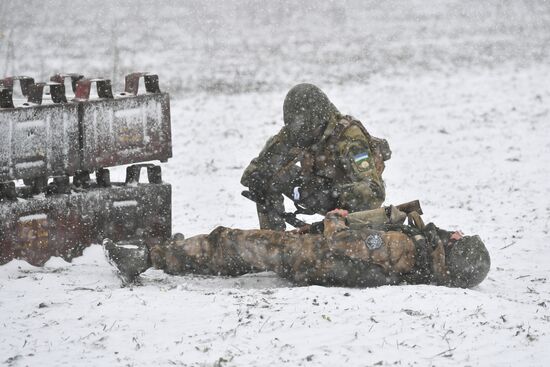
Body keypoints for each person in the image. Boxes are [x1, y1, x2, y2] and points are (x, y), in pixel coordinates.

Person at [104, 206, 491, 289]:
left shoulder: (399, 246)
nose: (455, 233)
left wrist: (334, 219)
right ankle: (167, 255)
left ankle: (149, 257)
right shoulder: (420, 260)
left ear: (453, 252)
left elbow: (342, 244)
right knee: (233, 256)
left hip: (304, 256)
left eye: (459, 240)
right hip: (311, 260)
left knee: (230, 243)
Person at [241, 83, 391, 231]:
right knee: (265, 177)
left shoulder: (349, 137)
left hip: (348, 206)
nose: (302, 135)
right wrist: (258, 178)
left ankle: (343, 236)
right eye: (297, 129)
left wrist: (336, 193)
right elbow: (254, 171)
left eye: (307, 130)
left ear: (321, 120)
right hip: (313, 191)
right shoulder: (294, 133)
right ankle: (272, 240)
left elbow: (374, 192)